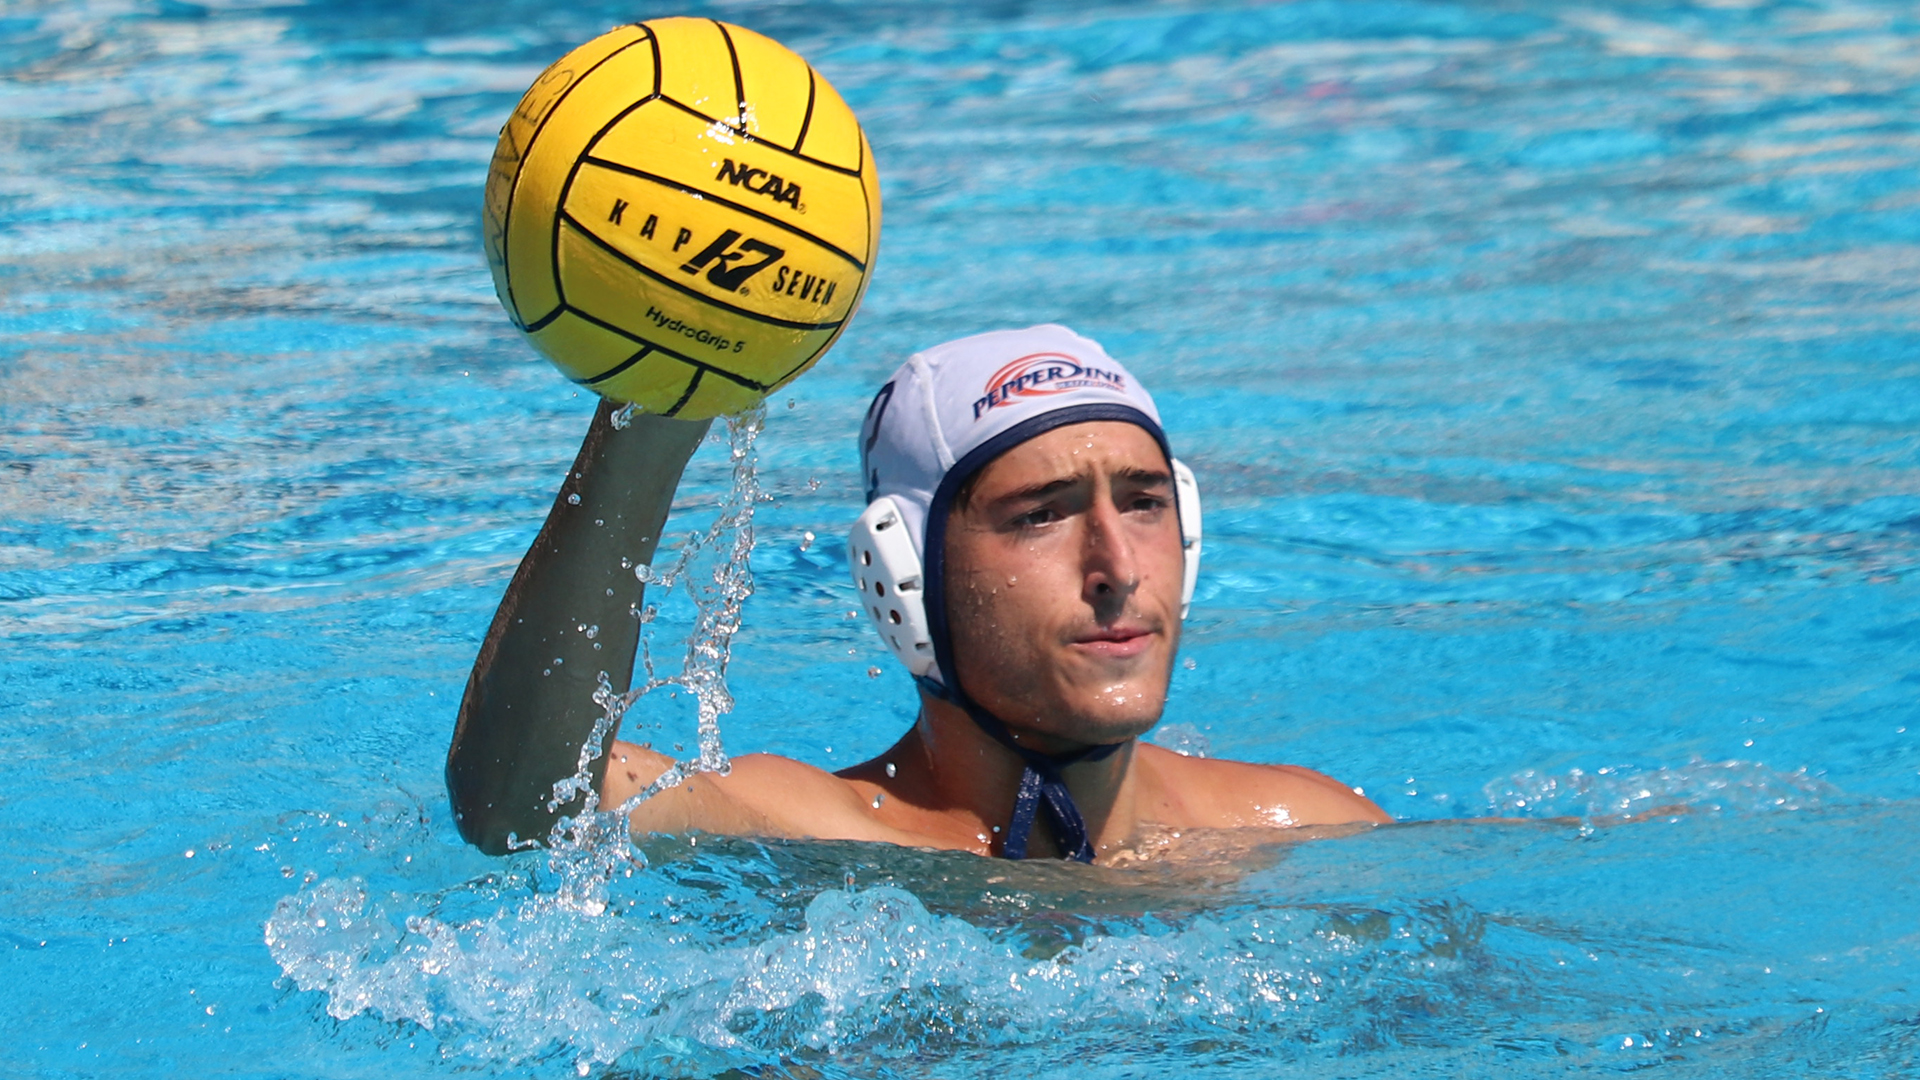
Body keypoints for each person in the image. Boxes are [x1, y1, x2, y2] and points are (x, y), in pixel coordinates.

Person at [446, 325, 1390, 862]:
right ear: (905, 571)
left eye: (1144, 504)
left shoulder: (1312, 833)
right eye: (1041, 515)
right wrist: (649, 422)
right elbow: (523, 808)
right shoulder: (816, 841)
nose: (1117, 565)